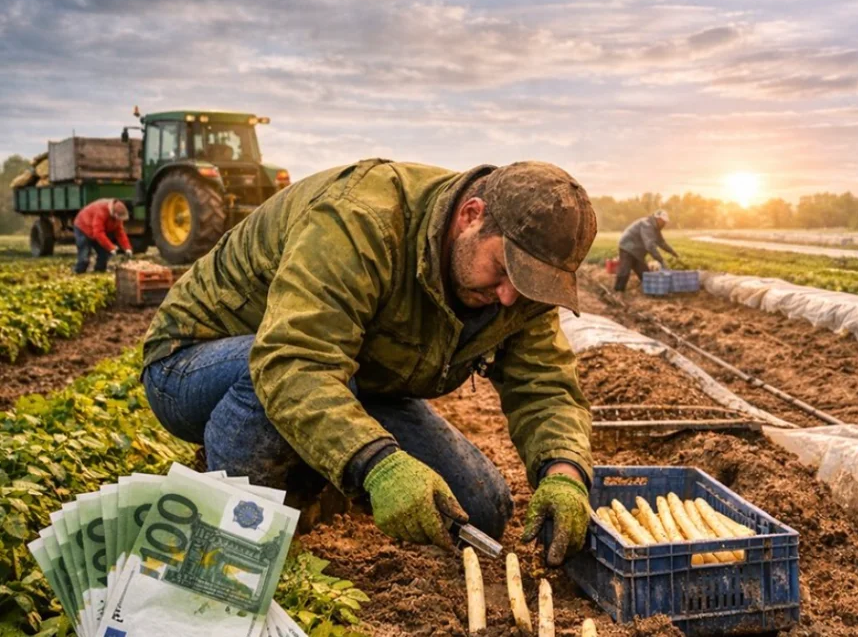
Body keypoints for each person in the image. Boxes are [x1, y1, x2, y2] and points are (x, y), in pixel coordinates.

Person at [141, 160, 598, 566]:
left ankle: (324, 462)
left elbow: (546, 386)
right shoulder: (359, 219)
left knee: (480, 511)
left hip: (351, 376)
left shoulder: (516, 294)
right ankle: (237, 521)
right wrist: (378, 463)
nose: (508, 296)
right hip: (194, 365)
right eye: (503, 270)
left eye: (529, 285)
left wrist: (565, 471)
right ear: (470, 216)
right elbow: (292, 361)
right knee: (274, 372)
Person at [614, 209, 678, 291]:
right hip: (628, 247)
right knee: (625, 271)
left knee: (644, 273)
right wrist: (660, 260)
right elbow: (650, 245)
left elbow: (661, 242)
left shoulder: (656, 228)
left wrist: (672, 252)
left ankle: (651, 291)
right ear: (658, 219)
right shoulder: (647, 225)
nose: (664, 224)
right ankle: (618, 291)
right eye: (663, 222)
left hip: (637, 251)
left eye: (665, 222)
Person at [73, 198, 132, 273]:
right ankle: (79, 272)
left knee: (104, 254)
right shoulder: (101, 212)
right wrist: (111, 247)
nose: (120, 220)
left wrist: (127, 248)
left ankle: (99, 271)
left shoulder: (117, 218)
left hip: (95, 231)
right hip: (83, 227)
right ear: (114, 214)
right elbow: (98, 233)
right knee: (84, 257)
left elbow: (120, 232)